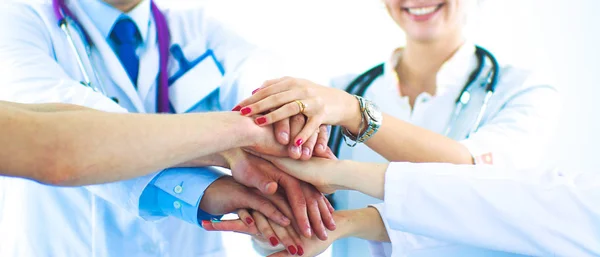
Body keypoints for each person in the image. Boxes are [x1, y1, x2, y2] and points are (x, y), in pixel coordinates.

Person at [0, 0, 334, 256]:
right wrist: (218, 175)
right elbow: (66, 141)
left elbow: (260, 73)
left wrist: (286, 117)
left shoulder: (196, 28)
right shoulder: (21, 19)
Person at [233, 0, 560, 255]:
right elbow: (302, 220)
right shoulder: (339, 92)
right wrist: (274, 224)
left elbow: (476, 178)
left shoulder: (523, 90)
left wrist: (357, 114)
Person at [211, 155, 600, 257]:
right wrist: (290, 222)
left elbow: (521, 208)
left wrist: (344, 168)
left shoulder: (525, 89)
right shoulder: (339, 88)